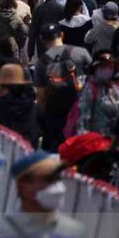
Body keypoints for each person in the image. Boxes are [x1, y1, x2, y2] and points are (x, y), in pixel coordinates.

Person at [34, 23, 91, 152]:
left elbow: (41, 97)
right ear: (62, 35)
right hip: (79, 112)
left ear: (42, 40)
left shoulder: (41, 63)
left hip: (55, 117)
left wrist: (42, 120)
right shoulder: (81, 53)